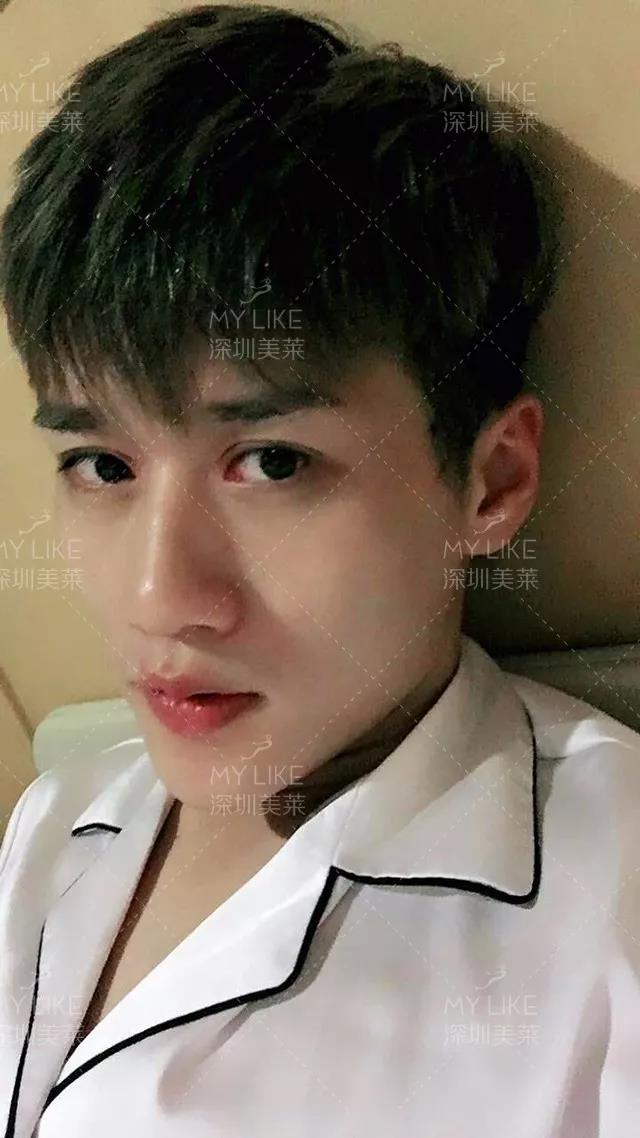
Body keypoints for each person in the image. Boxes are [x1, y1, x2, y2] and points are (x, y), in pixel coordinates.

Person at [0, 4, 638, 1135]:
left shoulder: (613, 900)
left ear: (490, 481)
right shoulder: (57, 821)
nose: (157, 599)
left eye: (273, 461)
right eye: (102, 464)